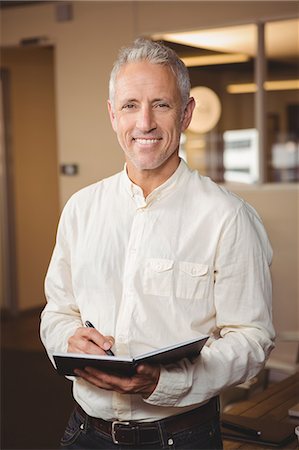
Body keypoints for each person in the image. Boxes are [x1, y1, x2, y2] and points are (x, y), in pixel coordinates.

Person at [40, 38, 275, 450]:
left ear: (186, 113)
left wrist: (167, 382)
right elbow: (58, 311)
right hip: (83, 434)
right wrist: (68, 339)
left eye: (161, 105)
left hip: (183, 437)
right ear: (112, 115)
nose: (144, 122)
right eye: (130, 105)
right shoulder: (81, 209)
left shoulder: (227, 216)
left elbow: (252, 338)